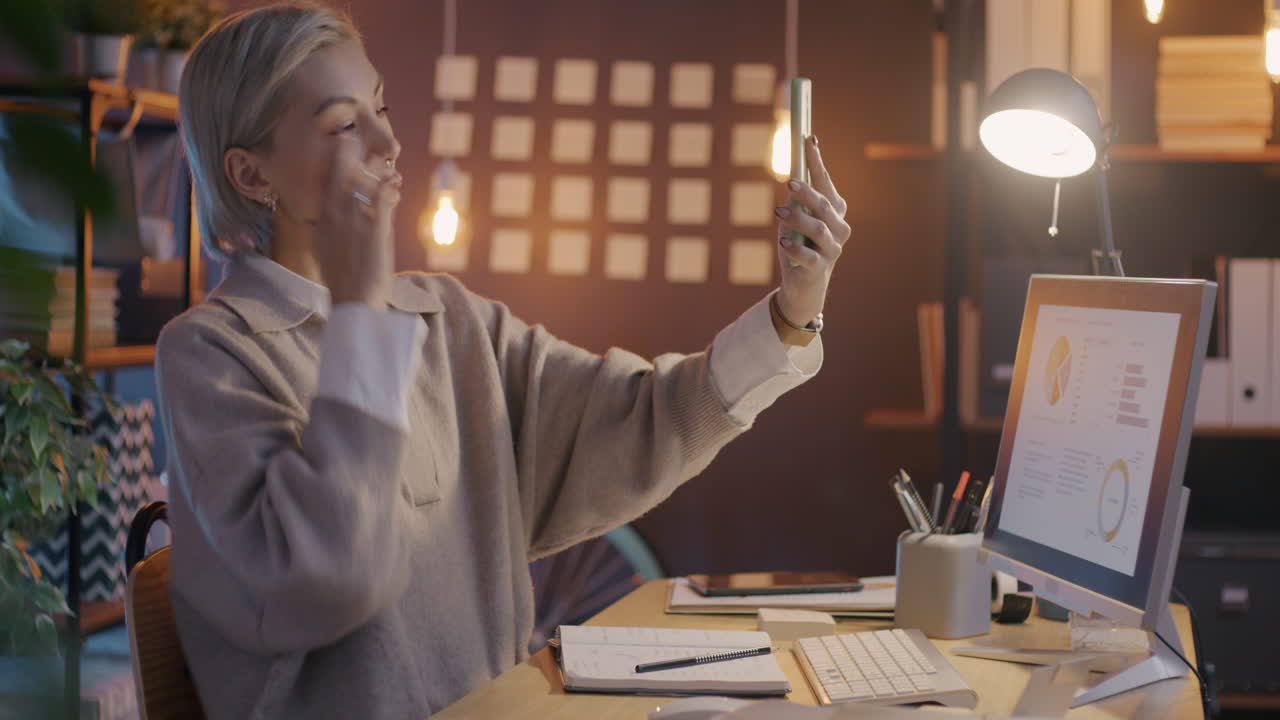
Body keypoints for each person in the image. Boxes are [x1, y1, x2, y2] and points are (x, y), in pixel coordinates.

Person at [156, 2, 851, 718]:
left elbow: (635, 417)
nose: (390, 142)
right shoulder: (213, 354)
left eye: (382, 107)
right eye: (343, 125)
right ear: (251, 174)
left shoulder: (447, 319)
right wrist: (360, 304)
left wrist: (791, 313)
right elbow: (330, 582)